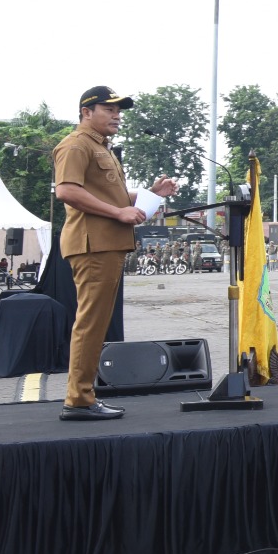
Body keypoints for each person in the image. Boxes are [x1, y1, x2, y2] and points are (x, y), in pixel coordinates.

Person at [52, 86, 178, 422]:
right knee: (91, 324)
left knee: (96, 323)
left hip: (106, 244)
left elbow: (112, 194)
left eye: (119, 110)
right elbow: (66, 191)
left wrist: (150, 193)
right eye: (109, 109)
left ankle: (83, 395)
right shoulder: (77, 144)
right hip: (94, 244)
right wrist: (118, 212)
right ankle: (78, 400)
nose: (117, 115)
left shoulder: (99, 148)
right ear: (86, 112)